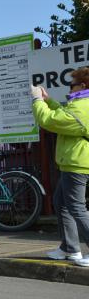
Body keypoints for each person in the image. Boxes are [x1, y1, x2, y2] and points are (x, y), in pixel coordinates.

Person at [32, 71, 89, 267]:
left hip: (77, 163)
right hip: (73, 161)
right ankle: (70, 248)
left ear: (82, 86)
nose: (70, 88)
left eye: (72, 85)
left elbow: (48, 120)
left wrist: (37, 100)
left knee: (76, 207)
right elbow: (63, 115)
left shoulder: (83, 107)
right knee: (61, 203)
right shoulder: (81, 105)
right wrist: (48, 101)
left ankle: (72, 248)